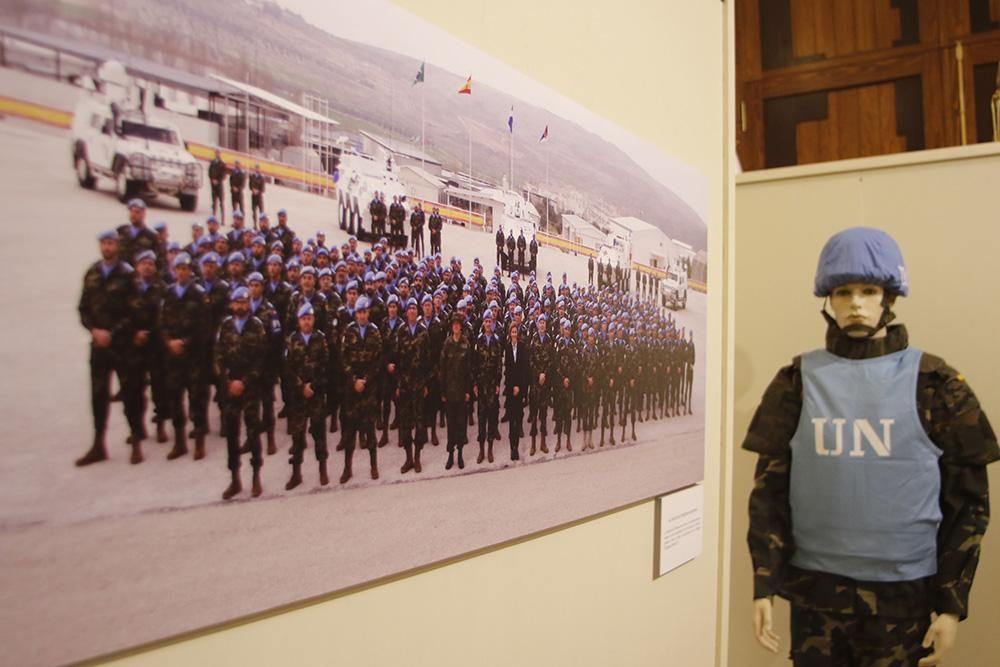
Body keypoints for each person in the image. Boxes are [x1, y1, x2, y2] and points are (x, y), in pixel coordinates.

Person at [745, 227, 999, 666]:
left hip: (902, 598)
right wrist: (764, 582)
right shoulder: (796, 382)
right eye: (843, 292)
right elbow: (768, 495)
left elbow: (969, 502)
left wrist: (951, 601)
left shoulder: (935, 385)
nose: (856, 304)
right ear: (829, 299)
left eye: (868, 290)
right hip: (816, 594)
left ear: (889, 298)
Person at [75, 230, 144, 466]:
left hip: (122, 346)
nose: (107, 247)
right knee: (98, 395)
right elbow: (83, 309)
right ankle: (98, 443)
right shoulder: (92, 273)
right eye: (104, 243)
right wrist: (94, 330)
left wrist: (112, 333)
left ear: (118, 246)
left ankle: (136, 440)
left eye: (111, 243)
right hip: (99, 346)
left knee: (130, 393)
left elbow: (135, 312)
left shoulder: (127, 275)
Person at [215, 287, 267, 500]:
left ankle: (256, 476)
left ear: (249, 304)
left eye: (243, 302)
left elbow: (261, 359)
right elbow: (218, 357)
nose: (240, 306)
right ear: (231, 304)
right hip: (230, 389)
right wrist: (228, 381)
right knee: (232, 433)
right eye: (236, 303)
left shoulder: (256, 326)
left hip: (250, 388)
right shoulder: (226, 327)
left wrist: (244, 381)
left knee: (253, 432)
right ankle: (235, 478)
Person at [160, 252, 209, 461]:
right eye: (178, 268)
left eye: (185, 268)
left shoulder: (198, 294)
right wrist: (169, 342)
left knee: (196, 400)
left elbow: (205, 327)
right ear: (174, 270)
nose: (181, 272)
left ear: (190, 271)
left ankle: (199, 443)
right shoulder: (169, 294)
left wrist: (186, 342)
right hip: (173, 357)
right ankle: (179, 442)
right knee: (175, 400)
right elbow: (161, 323)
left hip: (193, 356)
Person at [284, 302, 329, 490]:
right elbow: (287, 369)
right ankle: (296, 473)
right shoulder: (292, 340)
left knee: (319, 432)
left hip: (316, 394)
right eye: (303, 319)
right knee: (297, 435)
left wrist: (314, 385)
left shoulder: (321, 339)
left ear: (313, 320)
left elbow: (325, 366)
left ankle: (322, 469)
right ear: (298, 321)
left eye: (309, 318)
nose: (306, 322)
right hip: (298, 396)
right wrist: (300, 386)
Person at [339, 296, 383, 483]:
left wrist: (366, 379)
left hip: (368, 387)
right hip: (352, 388)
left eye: (364, 311)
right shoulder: (348, 332)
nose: (362, 315)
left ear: (368, 313)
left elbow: (378, 359)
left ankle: (373, 465)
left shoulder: (374, 332)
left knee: (370, 427)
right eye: (359, 312)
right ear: (356, 314)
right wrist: (353, 379)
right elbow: (343, 359)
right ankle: (347, 468)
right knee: (350, 429)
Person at [392, 298, 429, 474]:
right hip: (405, 385)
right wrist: (398, 384)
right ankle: (408, 458)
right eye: (410, 308)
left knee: (419, 422)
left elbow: (428, 360)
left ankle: (417, 457)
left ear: (418, 311)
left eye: (415, 308)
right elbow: (397, 359)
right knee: (405, 422)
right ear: (406, 312)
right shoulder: (401, 331)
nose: (413, 311)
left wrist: (425, 383)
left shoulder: (423, 331)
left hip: (419, 384)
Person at [440, 311, 472, 469]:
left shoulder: (466, 343)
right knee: (450, 425)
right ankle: (450, 454)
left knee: (461, 425)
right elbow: (443, 369)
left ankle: (460, 454)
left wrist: (468, 391)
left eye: (458, 324)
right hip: (449, 392)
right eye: (454, 325)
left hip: (461, 392)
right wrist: (443, 392)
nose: (456, 327)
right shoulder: (447, 343)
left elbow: (469, 369)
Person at [472, 309, 503, 464]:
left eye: (490, 321)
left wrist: (498, 383)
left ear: (493, 323)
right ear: (483, 323)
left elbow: (498, 364)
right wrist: (475, 384)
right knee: (481, 417)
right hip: (481, 385)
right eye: (486, 321)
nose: (488, 324)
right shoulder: (479, 341)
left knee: (491, 416)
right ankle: (481, 450)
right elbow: (475, 364)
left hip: (492, 385)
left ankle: (490, 449)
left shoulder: (497, 341)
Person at [527, 313, 554, 455]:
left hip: (545, 383)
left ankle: (543, 443)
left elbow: (551, 360)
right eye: (540, 322)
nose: (542, 325)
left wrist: (545, 373)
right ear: (537, 324)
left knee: (543, 415)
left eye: (544, 322)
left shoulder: (549, 340)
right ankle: (533, 444)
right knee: (534, 413)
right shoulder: (533, 339)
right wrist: (539, 374)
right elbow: (530, 360)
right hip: (535, 383)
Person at [504, 321, 530, 461]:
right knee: (511, 420)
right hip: (510, 389)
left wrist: (520, 387)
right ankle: (512, 448)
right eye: (512, 332)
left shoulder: (522, 347)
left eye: (515, 332)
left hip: (519, 389)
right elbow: (507, 371)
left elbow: (524, 370)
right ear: (509, 334)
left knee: (518, 418)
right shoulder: (507, 348)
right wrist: (511, 387)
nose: (514, 334)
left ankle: (517, 447)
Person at [208, 149, 227, 224]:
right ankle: (214, 218)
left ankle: (222, 219)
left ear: (220, 154)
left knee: (221, 203)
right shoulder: (212, 162)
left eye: (218, 153)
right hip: (213, 185)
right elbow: (209, 172)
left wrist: (218, 181)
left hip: (219, 185)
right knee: (214, 202)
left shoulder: (222, 163)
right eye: (216, 153)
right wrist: (212, 179)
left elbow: (224, 175)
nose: (217, 154)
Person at [249, 163, 265, 230]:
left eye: (258, 168)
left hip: (259, 197)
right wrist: (252, 189)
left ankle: (262, 225)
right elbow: (249, 185)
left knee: (261, 212)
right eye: (256, 168)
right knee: (254, 211)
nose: (257, 169)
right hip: (253, 196)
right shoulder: (252, 176)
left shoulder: (261, 177)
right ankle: (255, 225)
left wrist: (258, 191)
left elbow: (263, 189)